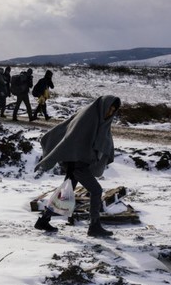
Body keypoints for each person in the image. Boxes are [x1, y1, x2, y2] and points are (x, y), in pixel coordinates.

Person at [34, 95, 121, 237]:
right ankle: (94, 226)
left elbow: (102, 139)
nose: (110, 113)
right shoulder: (89, 116)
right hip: (76, 163)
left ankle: (43, 220)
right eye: (109, 109)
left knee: (65, 193)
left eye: (113, 111)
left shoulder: (100, 118)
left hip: (79, 162)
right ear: (104, 105)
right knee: (97, 190)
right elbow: (72, 136)